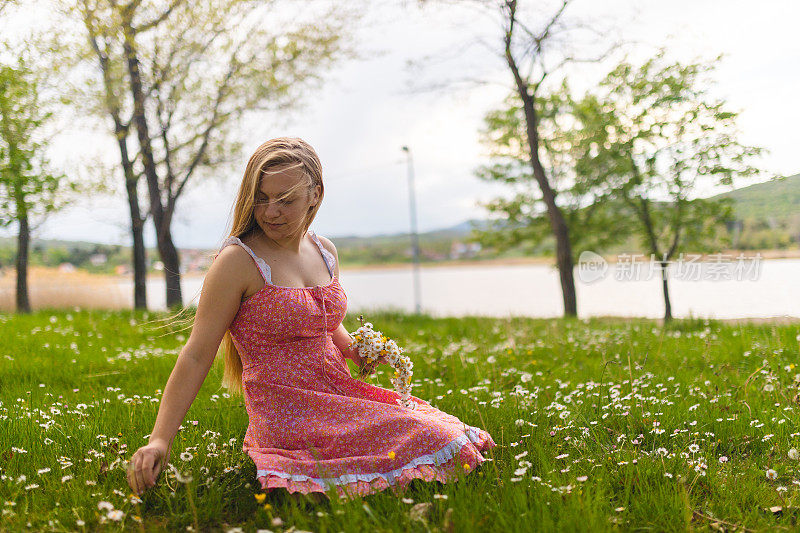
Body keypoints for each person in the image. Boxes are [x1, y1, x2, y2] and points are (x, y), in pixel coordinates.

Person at [126, 137, 496, 499]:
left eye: (286, 200)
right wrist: (160, 439)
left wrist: (355, 349)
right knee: (435, 438)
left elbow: (321, 321)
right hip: (289, 410)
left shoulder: (324, 250)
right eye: (262, 199)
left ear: (315, 195)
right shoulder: (238, 263)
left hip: (337, 390)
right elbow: (196, 354)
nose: (271, 212)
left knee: (442, 428)